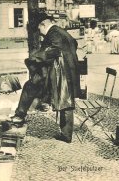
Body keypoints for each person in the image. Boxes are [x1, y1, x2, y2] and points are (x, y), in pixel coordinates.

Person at [10, 14, 81, 143]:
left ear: (43, 24)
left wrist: (34, 58)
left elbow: (52, 51)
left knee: (30, 87)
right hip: (69, 72)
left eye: (39, 29)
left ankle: (19, 116)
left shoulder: (53, 34)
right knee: (66, 101)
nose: (40, 33)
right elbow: (74, 44)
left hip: (60, 74)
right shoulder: (62, 32)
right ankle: (66, 134)